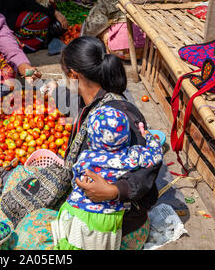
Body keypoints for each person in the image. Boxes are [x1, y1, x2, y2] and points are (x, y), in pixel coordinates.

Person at [0, 36, 162, 250]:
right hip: (88, 204)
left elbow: (149, 166)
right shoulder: (90, 98)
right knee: (17, 175)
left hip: (112, 227)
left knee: (26, 236)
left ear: (73, 75)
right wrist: (42, 85)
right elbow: (66, 100)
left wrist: (113, 191)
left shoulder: (119, 117)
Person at [52, 105, 163, 250]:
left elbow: (76, 178)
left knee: (71, 244)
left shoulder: (86, 156)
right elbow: (156, 156)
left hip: (75, 212)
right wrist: (148, 136)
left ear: (91, 138)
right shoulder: (131, 156)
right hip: (104, 220)